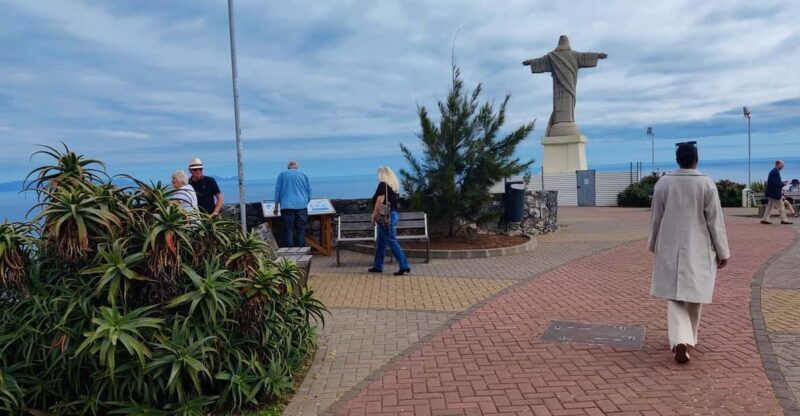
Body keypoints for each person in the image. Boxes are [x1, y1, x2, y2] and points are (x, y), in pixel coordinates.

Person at [648, 142, 730, 364]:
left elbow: (656, 218)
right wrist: (723, 251)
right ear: (696, 159)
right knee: (695, 294)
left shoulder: (663, 183)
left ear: (678, 160)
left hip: (670, 244)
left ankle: (682, 339)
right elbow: (715, 221)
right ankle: (687, 339)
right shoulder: (706, 184)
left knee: (674, 296)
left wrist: (653, 243)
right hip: (699, 246)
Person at [368, 167, 410, 276]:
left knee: (392, 240)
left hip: (386, 217)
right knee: (381, 242)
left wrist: (373, 216)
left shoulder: (382, 184)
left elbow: (380, 200)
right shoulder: (393, 187)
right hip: (393, 215)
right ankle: (378, 266)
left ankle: (404, 266)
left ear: (382, 174)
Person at [273, 161, 312, 247]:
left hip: (286, 206)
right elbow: (309, 192)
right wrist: (305, 201)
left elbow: (277, 191)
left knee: (288, 230)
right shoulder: (303, 175)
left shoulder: (282, 175)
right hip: (302, 206)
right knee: (301, 230)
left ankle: (289, 253)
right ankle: (301, 251)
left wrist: (276, 207)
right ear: (297, 167)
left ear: (288, 167)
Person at [761, 160, 792, 225]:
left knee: (770, 206)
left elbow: (773, 183)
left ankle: (765, 219)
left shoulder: (773, 171)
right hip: (775, 193)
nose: (783, 167)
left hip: (771, 192)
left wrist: (782, 183)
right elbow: (777, 184)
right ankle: (784, 220)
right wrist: (784, 184)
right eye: (782, 165)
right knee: (781, 206)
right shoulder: (775, 172)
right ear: (777, 164)